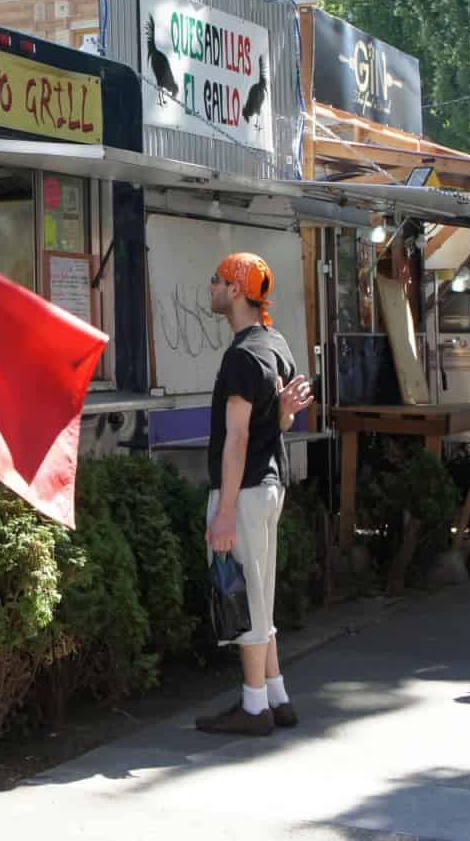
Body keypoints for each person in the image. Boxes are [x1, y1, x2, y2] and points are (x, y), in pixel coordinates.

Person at [195, 253, 312, 736]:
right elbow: (279, 422)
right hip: (271, 485)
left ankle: (253, 706)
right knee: (259, 593)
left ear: (238, 291)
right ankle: (275, 694)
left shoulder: (243, 356)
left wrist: (223, 510)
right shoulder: (275, 343)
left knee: (242, 594)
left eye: (218, 280)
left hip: (243, 491)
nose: (211, 286)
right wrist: (284, 414)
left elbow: (238, 436)